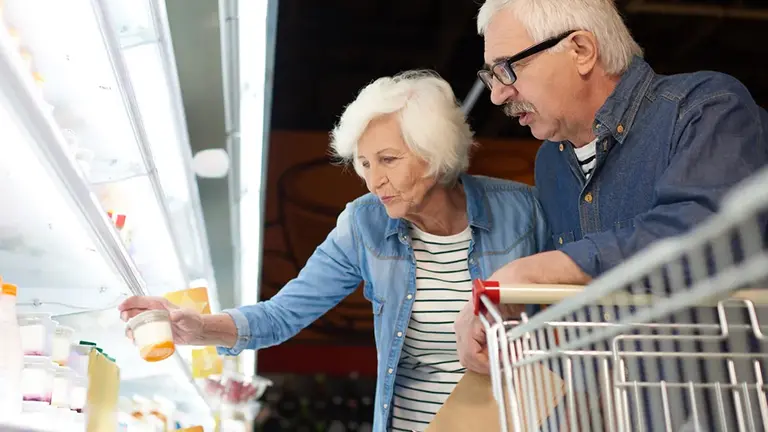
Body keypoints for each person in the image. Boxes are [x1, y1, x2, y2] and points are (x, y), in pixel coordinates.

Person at [118, 70, 550, 431]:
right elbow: (283, 313)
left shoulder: (523, 210)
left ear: (434, 153)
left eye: (387, 159)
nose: (372, 180)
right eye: (363, 163)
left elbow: (576, 309)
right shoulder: (364, 223)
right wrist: (198, 329)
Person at [455, 0, 768, 376]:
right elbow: (582, 293)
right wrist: (501, 314)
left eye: (507, 69)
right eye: (492, 76)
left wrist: (545, 270)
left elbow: (707, 238)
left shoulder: (705, 108)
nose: (497, 95)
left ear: (581, 50)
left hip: (727, 401)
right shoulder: (551, 163)